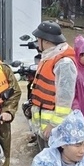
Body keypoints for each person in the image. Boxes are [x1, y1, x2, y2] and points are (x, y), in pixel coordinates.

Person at [29, 21, 78, 149]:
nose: (36, 42)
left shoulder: (64, 63)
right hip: (44, 127)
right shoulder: (49, 56)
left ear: (45, 41)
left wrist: (53, 125)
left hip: (54, 129)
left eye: (38, 39)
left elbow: (65, 100)